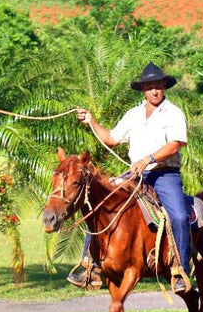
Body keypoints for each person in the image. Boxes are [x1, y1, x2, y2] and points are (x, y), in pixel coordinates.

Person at [72, 62, 192, 294]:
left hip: (164, 174)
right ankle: (91, 266)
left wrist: (148, 159)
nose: (154, 91)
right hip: (135, 174)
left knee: (178, 215)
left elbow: (175, 145)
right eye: (150, 87)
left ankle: (180, 269)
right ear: (143, 90)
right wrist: (92, 121)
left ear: (164, 87)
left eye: (158, 86)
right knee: (100, 203)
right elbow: (112, 139)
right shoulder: (133, 115)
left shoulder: (174, 113)